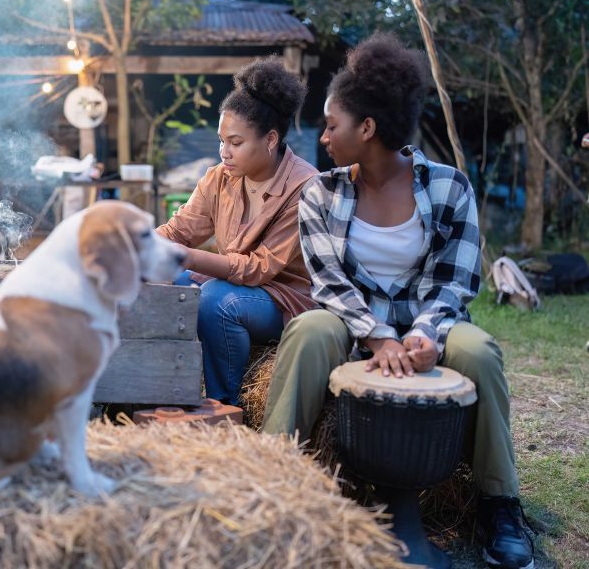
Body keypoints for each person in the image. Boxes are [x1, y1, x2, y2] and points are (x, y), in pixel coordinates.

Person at [262, 34, 533, 569]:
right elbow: (328, 283)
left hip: (426, 323)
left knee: (479, 350)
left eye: (331, 124)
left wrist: (424, 334)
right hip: (351, 323)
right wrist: (375, 333)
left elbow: (455, 283)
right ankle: (272, 481)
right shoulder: (322, 192)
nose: (323, 137)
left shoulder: (450, 188)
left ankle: (500, 504)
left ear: (367, 128)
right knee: (309, 329)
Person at [157, 57, 319, 406]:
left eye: (235, 142)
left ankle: (222, 405)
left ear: (271, 139)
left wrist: (188, 256)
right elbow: (180, 230)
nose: (223, 152)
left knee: (217, 299)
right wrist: (131, 243)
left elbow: (260, 268)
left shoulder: (305, 188)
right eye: (221, 140)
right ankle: (163, 389)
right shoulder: (219, 178)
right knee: (172, 280)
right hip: (234, 283)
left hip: (285, 297)